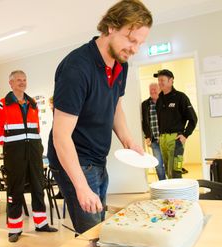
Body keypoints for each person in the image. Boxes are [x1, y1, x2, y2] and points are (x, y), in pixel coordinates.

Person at [47, 0, 152, 234]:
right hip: (73, 158)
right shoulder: (77, 68)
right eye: (131, 39)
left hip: (97, 157)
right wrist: (81, 187)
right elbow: (61, 137)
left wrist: (129, 141)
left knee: (98, 227)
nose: (135, 49)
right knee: (93, 234)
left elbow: (115, 107)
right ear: (111, 27)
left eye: (140, 43)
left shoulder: (120, 64)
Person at [0, 70, 57, 243]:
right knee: (15, 190)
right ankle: (14, 229)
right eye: (18, 80)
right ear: (11, 83)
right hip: (15, 153)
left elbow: (36, 129)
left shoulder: (32, 103)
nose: (22, 83)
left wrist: (35, 146)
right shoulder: (2, 104)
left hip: (34, 151)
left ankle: (41, 223)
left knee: (38, 186)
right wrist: (11, 147)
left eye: (24, 80)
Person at [154, 69, 198, 179]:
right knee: (168, 172)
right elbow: (160, 120)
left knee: (174, 171)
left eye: (162, 80)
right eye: (159, 80)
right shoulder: (160, 99)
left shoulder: (180, 97)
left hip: (175, 139)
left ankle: (179, 196)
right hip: (163, 139)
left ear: (171, 81)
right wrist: (160, 135)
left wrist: (185, 135)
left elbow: (193, 119)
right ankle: (171, 196)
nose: (160, 83)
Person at [141, 83, 166, 181]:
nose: (153, 91)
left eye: (155, 89)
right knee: (158, 164)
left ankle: (172, 185)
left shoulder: (164, 102)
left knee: (169, 164)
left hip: (166, 138)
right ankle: (163, 184)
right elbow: (145, 122)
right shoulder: (145, 104)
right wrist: (147, 136)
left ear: (159, 89)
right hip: (154, 140)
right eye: (151, 89)